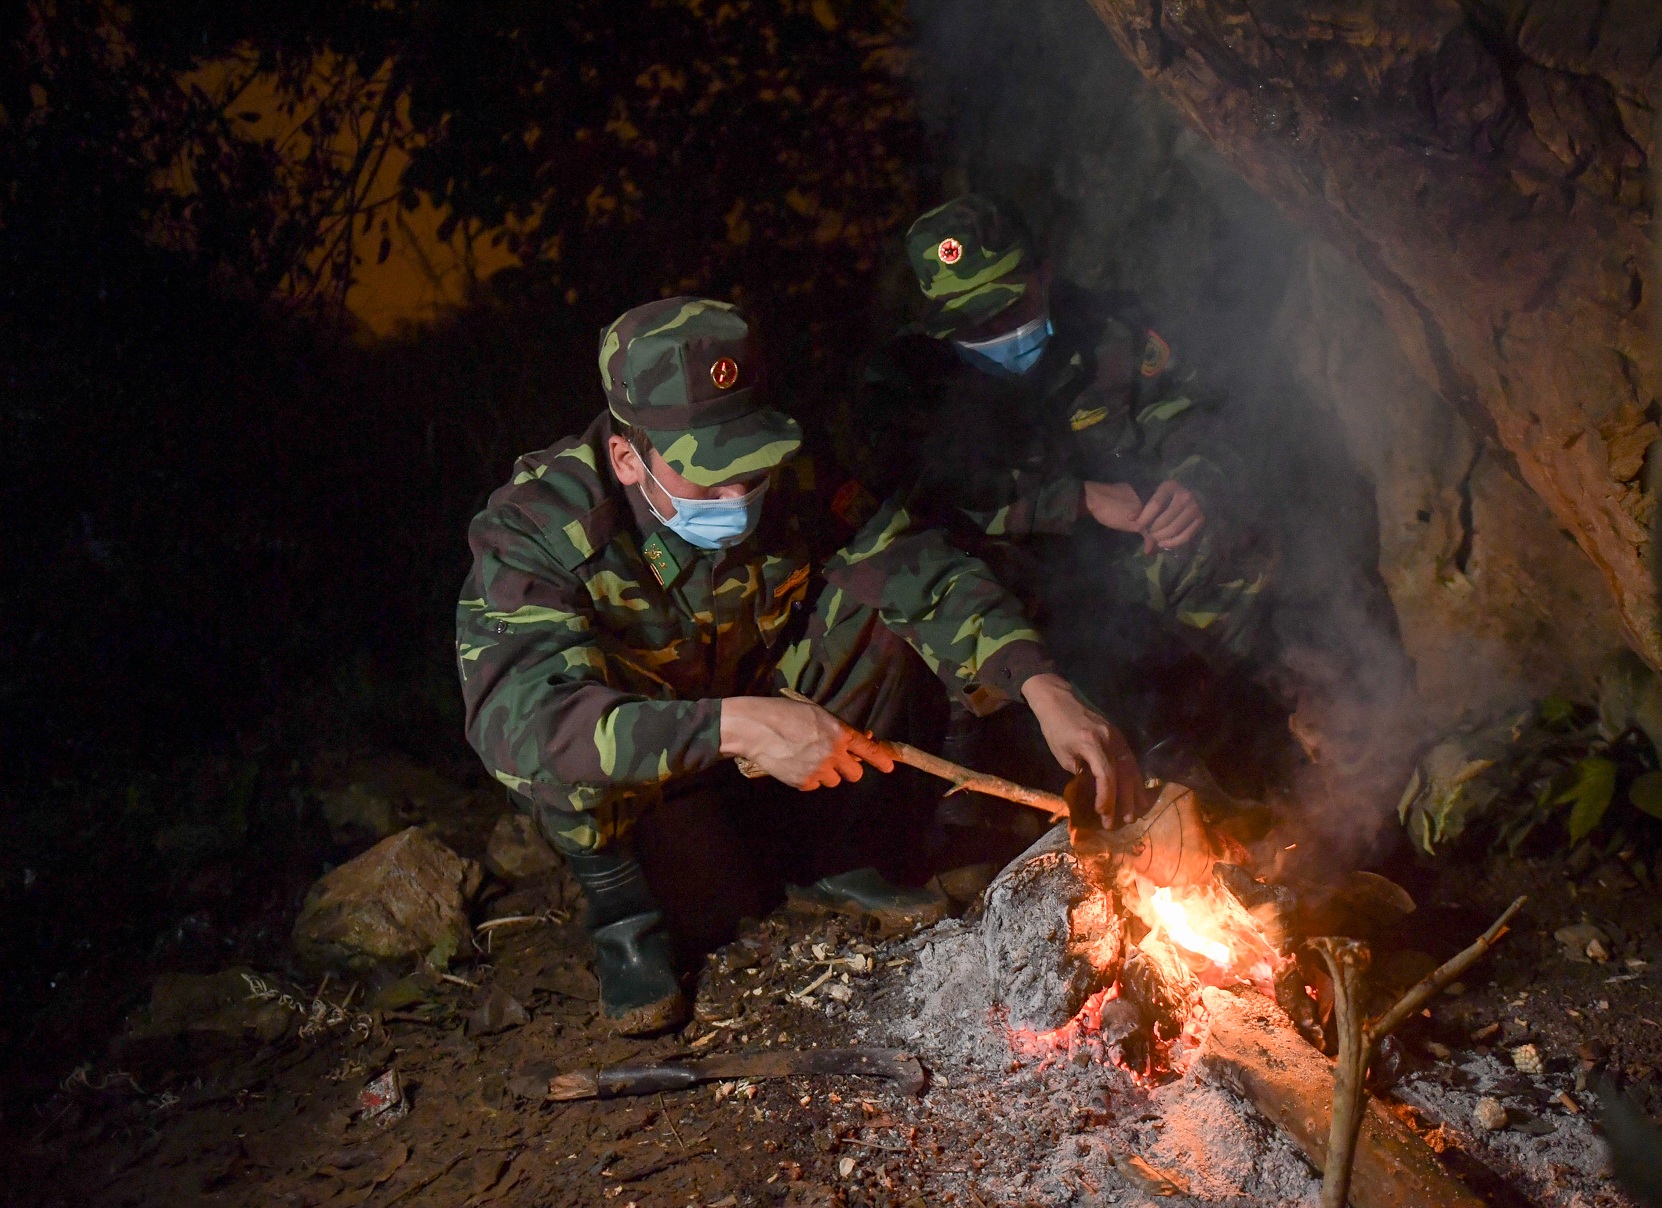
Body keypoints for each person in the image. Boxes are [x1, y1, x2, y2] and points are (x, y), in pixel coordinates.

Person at [456, 297, 1141, 1034]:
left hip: (754, 701)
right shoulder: (535, 528)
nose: (738, 499)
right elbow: (524, 725)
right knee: (689, 876)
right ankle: (621, 908)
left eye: (749, 470)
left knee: (875, 603)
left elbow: (912, 562)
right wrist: (738, 727)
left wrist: (1039, 684)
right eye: (707, 477)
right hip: (650, 764)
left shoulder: (787, 475)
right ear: (628, 457)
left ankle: (837, 850)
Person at [847, 194, 1291, 801]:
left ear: (1043, 273)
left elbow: (1199, 418)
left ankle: (1234, 742)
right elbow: (920, 505)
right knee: (946, 603)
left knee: (1224, 546)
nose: (998, 333)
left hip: (1126, 560)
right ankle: (982, 805)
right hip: (1016, 573)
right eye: (974, 324)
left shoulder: (1114, 334)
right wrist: (1073, 498)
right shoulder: (906, 381)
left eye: (1009, 308)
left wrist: (1196, 483)